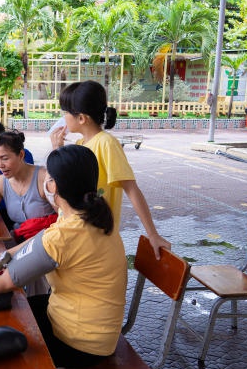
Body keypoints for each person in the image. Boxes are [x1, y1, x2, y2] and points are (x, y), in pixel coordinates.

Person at [0, 144, 127, 369]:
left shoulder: (67, 234)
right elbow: (41, 239)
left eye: (48, 177)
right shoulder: (89, 215)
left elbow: (5, 281)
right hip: (94, 331)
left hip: (82, 345)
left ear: (53, 187)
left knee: (3, 330)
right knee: (17, 309)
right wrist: (0, 256)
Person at [50, 80, 170, 259]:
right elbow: (63, 188)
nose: (63, 117)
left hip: (94, 239)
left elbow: (131, 189)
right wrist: (57, 151)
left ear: (82, 118)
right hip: (72, 232)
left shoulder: (106, 143)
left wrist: (152, 234)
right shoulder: (80, 144)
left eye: (65, 112)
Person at [0, 130, 56, 241]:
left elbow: (65, 220)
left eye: (5, 158)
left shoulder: (45, 179)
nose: (0, 165)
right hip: (20, 239)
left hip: (49, 241)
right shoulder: (1, 183)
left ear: (21, 155)